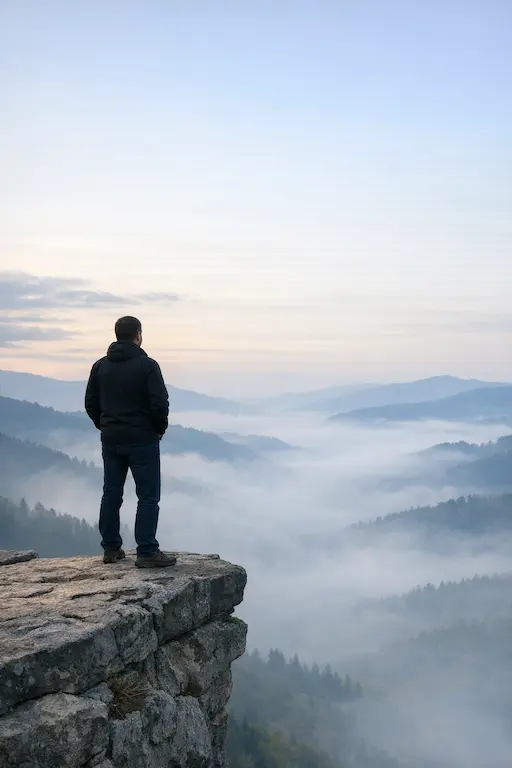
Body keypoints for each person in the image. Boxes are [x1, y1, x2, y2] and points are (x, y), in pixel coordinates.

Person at [85, 316, 176, 568]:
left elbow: (91, 402)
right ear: (138, 335)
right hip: (142, 439)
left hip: (111, 438)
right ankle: (146, 551)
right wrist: (159, 429)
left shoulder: (100, 366)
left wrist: (104, 425)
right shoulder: (147, 366)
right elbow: (159, 403)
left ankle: (111, 548)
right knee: (147, 496)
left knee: (111, 492)